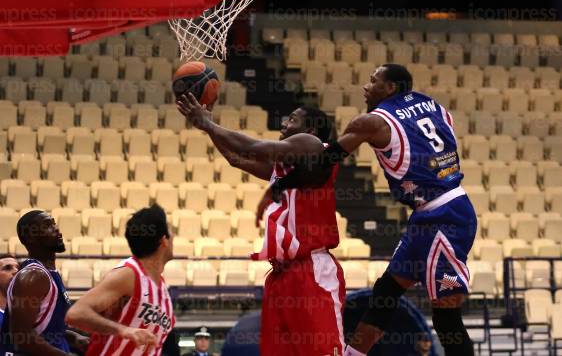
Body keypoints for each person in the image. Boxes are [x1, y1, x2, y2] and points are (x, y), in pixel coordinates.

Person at [268, 64, 477, 356]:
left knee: (446, 314)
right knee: (386, 292)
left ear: (390, 88)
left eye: (373, 81)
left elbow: (328, 158)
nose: (366, 87)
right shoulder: (433, 105)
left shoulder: (372, 122)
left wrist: (285, 181)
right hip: (430, 212)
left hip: (445, 217)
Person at [177, 94, 346, 356]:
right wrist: (206, 126)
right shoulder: (284, 167)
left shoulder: (313, 145)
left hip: (311, 270)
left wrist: (210, 125)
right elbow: (236, 158)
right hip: (281, 275)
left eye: (292, 120)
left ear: (310, 129)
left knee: (322, 351)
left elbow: (256, 147)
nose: (284, 125)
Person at [66, 204, 176, 355]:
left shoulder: (162, 287)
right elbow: (76, 314)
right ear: (164, 241)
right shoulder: (129, 274)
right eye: (171, 231)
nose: (174, 236)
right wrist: (123, 330)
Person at [0, 210, 88, 356]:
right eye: (48, 226)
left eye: (54, 224)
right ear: (31, 238)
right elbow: (22, 337)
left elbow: (45, 330)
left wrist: (75, 338)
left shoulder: (49, 273)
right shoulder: (33, 277)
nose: (57, 229)